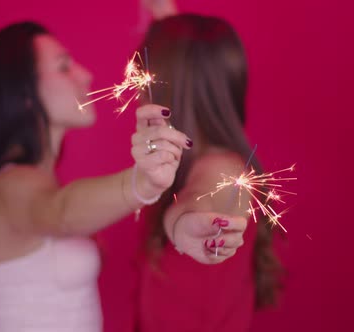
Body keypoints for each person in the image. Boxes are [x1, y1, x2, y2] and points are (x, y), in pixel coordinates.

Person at [0, 21, 194, 332]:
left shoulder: (33, 182)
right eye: (63, 67)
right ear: (22, 92)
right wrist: (142, 182)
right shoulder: (7, 185)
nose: (85, 75)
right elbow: (62, 211)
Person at [134, 10, 284, 332]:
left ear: (163, 88)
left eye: (142, 77)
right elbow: (189, 54)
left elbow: (197, 206)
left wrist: (183, 225)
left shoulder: (221, 173)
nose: (136, 90)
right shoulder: (207, 160)